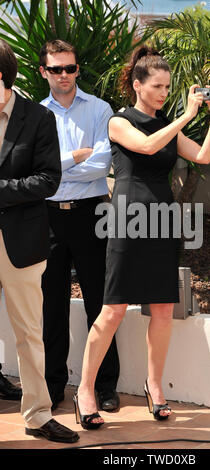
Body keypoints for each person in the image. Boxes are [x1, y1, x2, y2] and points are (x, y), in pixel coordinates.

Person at [74, 45, 210, 428]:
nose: (163, 93)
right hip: (126, 218)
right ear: (137, 85)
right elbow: (145, 146)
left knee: (161, 311)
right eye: (157, 85)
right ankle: (85, 390)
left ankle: (154, 387)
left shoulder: (168, 126)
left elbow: (203, 156)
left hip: (161, 220)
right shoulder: (118, 121)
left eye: (168, 86)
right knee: (113, 310)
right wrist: (185, 117)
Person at [0, 39, 79, 443]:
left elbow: (48, 180)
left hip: (21, 241)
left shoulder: (37, 119)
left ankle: (37, 414)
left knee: (30, 331)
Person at [39, 39, 120, 412]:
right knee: (51, 305)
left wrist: (59, 168)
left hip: (92, 213)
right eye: (56, 69)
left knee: (100, 302)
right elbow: (37, 173)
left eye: (70, 68)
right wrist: (74, 158)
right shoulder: (35, 115)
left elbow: (102, 166)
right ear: (44, 72)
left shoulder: (100, 110)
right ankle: (54, 386)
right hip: (48, 218)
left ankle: (104, 387)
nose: (65, 75)